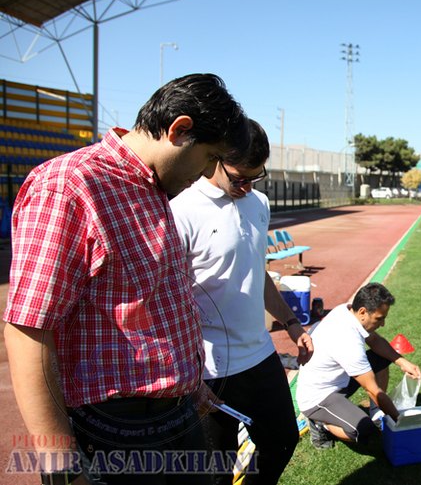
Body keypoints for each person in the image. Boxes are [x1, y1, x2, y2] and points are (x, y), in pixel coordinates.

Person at [3, 74, 253, 485]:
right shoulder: (70, 186)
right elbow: (30, 329)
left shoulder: (153, 186)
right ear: (180, 130)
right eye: (209, 157)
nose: (209, 172)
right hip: (114, 431)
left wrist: (189, 386)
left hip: (175, 415)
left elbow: (154, 301)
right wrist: (62, 466)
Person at [170, 119, 314, 485]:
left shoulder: (258, 202)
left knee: (281, 441)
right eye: (238, 178)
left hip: (260, 356)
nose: (247, 186)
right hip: (209, 368)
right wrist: (188, 375)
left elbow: (257, 272)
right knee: (215, 473)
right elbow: (167, 301)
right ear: (212, 160)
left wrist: (292, 323)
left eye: (256, 177)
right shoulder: (181, 211)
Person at [296, 283, 421, 449]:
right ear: (362, 312)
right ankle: (320, 423)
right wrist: (399, 420)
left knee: (382, 357)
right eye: (379, 318)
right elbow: (373, 390)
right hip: (318, 397)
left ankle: (377, 412)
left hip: (337, 380)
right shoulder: (348, 341)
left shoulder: (347, 310)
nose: (383, 324)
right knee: (362, 429)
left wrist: (402, 361)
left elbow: (375, 341)